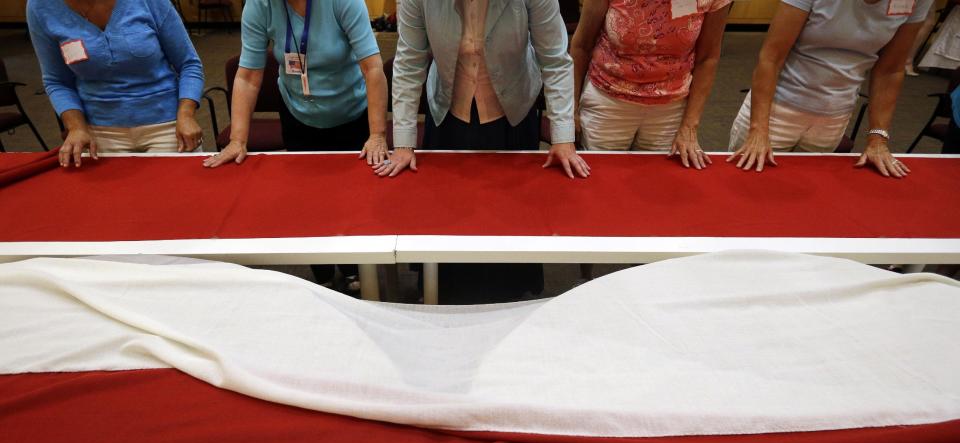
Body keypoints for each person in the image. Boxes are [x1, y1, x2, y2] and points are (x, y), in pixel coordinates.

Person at [203, 0, 389, 290]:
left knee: (351, 198)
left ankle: (355, 267)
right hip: (297, 114)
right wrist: (238, 139)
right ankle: (323, 273)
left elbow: (373, 67)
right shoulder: (260, 5)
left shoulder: (344, 3)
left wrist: (377, 133)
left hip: (350, 114)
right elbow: (249, 75)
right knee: (308, 198)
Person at [378, 0, 590, 179]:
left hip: (515, 113)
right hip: (446, 111)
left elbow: (555, 62)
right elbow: (409, 65)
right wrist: (403, 144)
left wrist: (563, 139)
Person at [729, 0, 932, 178]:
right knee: (748, 190)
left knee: (806, 200)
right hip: (776, 110)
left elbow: (890, 71)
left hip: (834, 116)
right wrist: (758, 130)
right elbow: (770, 58)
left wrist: (878, 138)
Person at [27, 0, 204, 167]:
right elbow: (57, 81)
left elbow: (189, 63)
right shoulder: (41, 7)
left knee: (173, 193)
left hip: (168, 125)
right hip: (99, 132)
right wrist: (76, 127)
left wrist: (186, 115)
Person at [571, 0, 732, 169]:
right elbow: (581, 45)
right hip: (608, 102)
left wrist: (690, 125)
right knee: (601, 177)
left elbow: (708, 58)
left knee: (658, 180)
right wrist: (571, 109)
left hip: (670, 108)